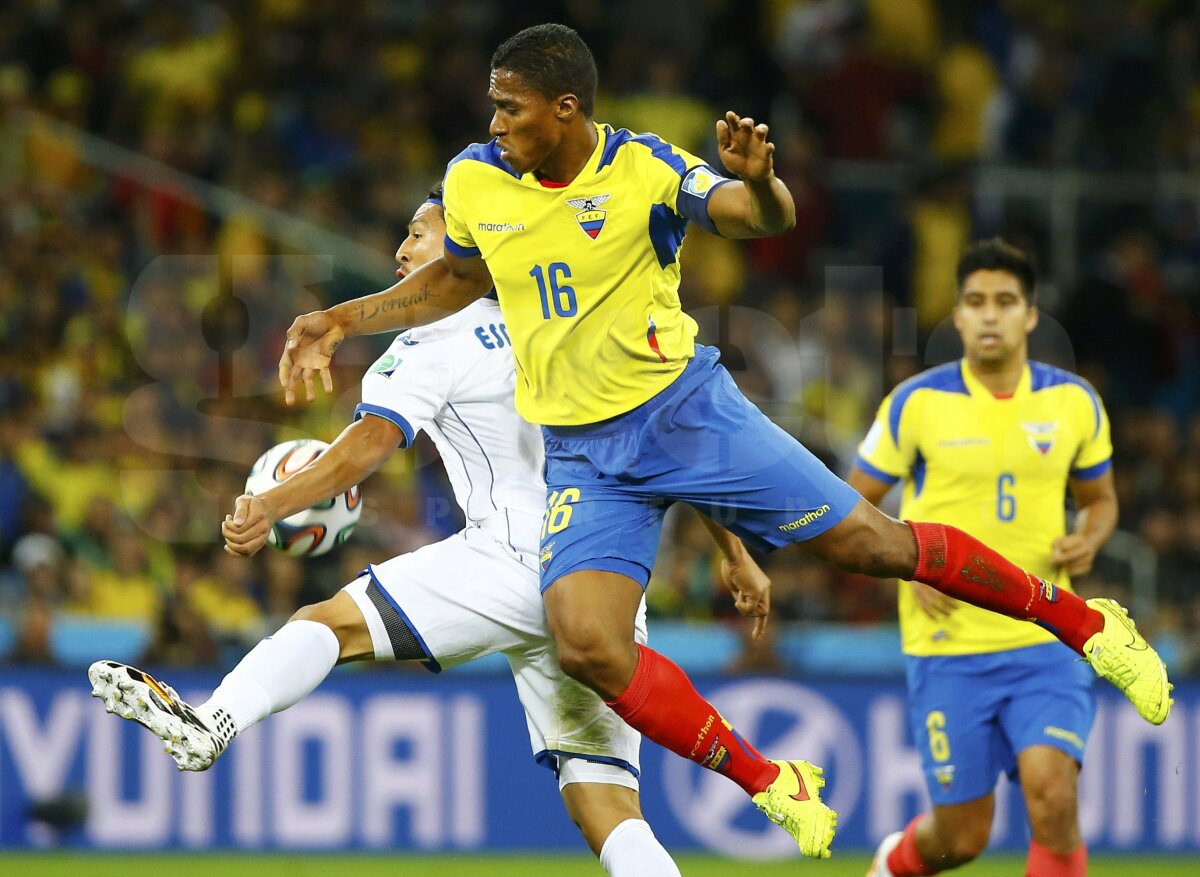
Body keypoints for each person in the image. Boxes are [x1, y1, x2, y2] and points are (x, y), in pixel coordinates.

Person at [276, 23, 1171, 858]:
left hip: (687, 415)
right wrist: (338, 318)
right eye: (493, 103)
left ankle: (1084, 622)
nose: (494, 120)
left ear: (565, 110)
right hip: (587, 453)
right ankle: (772, 778)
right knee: (585, 642)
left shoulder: (644, 167)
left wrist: (767, 183)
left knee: (873, 544)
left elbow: (751, 215)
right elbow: (458, 277)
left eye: (510, 106)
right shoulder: (474, 178)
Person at [89, 190, 772, 876]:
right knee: (607, 806)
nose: (400, 251)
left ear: (467, 246)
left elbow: (368, 446)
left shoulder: (431, 339)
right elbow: (667, 436)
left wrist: (272, 502)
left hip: (513, 556)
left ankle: (215, 723)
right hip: (603, 580)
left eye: (418, 233)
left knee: (331, 622)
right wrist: (735, 553)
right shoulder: (569, 318)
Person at [850, 240, 1119, 877]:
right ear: (958, 316)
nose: (990, 315)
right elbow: (853, 507)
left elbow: (1102, 500)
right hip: (948, 646)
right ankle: (895, 862)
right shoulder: (914, 403)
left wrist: (1092, 535)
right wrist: (906, 560)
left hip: (1048, 638)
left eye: (1005, 302)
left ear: (1030, 315)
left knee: (1053, 797)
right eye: (976, 302)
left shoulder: (1075, 402)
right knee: (963, 838)